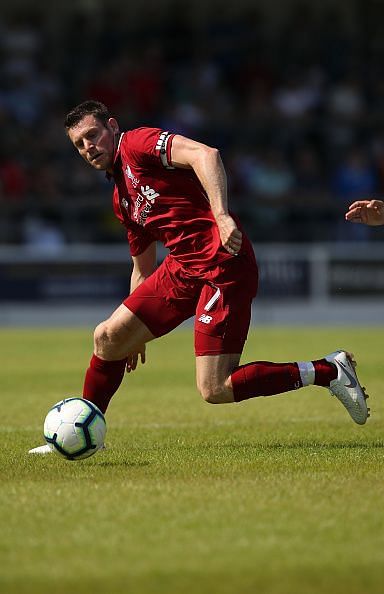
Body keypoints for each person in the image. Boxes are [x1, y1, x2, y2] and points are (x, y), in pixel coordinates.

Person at [29, 100, 369, 453]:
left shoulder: (137, 143)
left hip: (223, 265)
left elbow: (206, 155)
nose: (89, 147)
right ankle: (84, 435)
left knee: (215, 388)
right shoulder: (122, 198)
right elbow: (142, 268)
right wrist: (136, 335)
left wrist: (221, 215)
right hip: (182, 268)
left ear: (112, 127)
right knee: (109, 337)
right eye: (80, 144)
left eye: (92, 135)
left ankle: (328, 370)